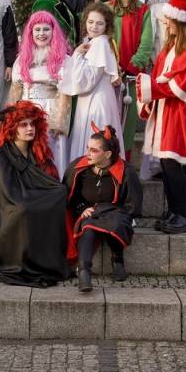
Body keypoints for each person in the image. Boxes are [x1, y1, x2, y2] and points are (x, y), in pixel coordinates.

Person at [137, 0, 186, 235]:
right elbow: (161, 74)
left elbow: (184, 82)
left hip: (180, 112)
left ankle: (182, 215)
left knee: (172, 162)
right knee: (165, 162)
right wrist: (150, 90)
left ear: (179, 19)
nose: (165, 22)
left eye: (168, 18)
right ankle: (173, 211)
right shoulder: (171, 45)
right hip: (165, 109)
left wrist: (151, 87)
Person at [0, 100, 70, 287]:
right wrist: (32, 200)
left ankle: (46, 262)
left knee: (60, 193)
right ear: (12, 128)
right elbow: (5, 191)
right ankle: (18, 262)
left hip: (31, 199)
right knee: (23, 210)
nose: (29, 128)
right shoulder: (0, 155)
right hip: (8, 205)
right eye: (23, 125)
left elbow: (49, 184)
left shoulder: (38, 152)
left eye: (32, 124)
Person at [64, 124, 142, 292]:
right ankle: (84, 272)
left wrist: (109, 211)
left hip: (115, 212)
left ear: (107, 154)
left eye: (94, 150)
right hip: (88, 213)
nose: (88, 153)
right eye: (88, 148)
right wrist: (82, 208)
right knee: (88, 226)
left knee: (115, 222)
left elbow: (133, 205)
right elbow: (68, 195)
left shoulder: (126, 171)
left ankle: (117, 259)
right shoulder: (78, 168)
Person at [7, 11, 73, 177]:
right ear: (31, 33)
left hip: (50, 111)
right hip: (26, 111)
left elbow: (65, 93)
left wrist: (59, 122)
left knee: (51, 150)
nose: (41, 34)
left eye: (46, 29)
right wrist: (12, 117)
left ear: (53, 32)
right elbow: (16, 90)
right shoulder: (22, 59)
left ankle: (54, 184)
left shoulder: (63, 59)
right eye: (37, 30)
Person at [60, 2, 124, 163]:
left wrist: (76, 55)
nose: (94, 27)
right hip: (96, 97)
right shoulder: (95, 42)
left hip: (96, 100)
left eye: (99, 23)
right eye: (90, 22)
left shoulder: (100, 43)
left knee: (95, 138)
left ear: (106, 26)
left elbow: (87, 80)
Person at [107, 0, 153, 159]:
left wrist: (131, 67)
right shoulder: (107, 8)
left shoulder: (143, 10)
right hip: (109, 75)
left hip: (132, 76)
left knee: (128, 123)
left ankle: (124, 164)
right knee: (108, 121)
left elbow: (146, 43)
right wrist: (112, 67)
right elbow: (101, 38)